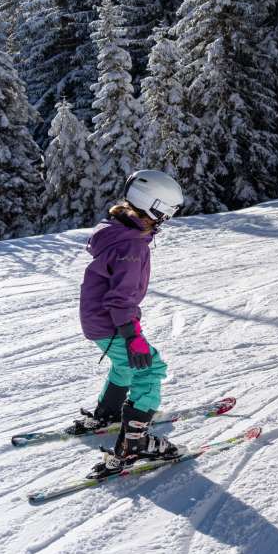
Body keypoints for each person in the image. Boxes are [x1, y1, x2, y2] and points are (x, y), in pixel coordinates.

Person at [77, 170, 185, 475]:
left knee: (125, 366)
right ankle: (134, 443)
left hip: (97, 319)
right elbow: (121, 299)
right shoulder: (132, 246)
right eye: (167, 211)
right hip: (112, 322)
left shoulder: (118, 229)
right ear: (152, 206)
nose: (167, 218)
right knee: (149, 368)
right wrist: (132, 336)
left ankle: (108, 413)